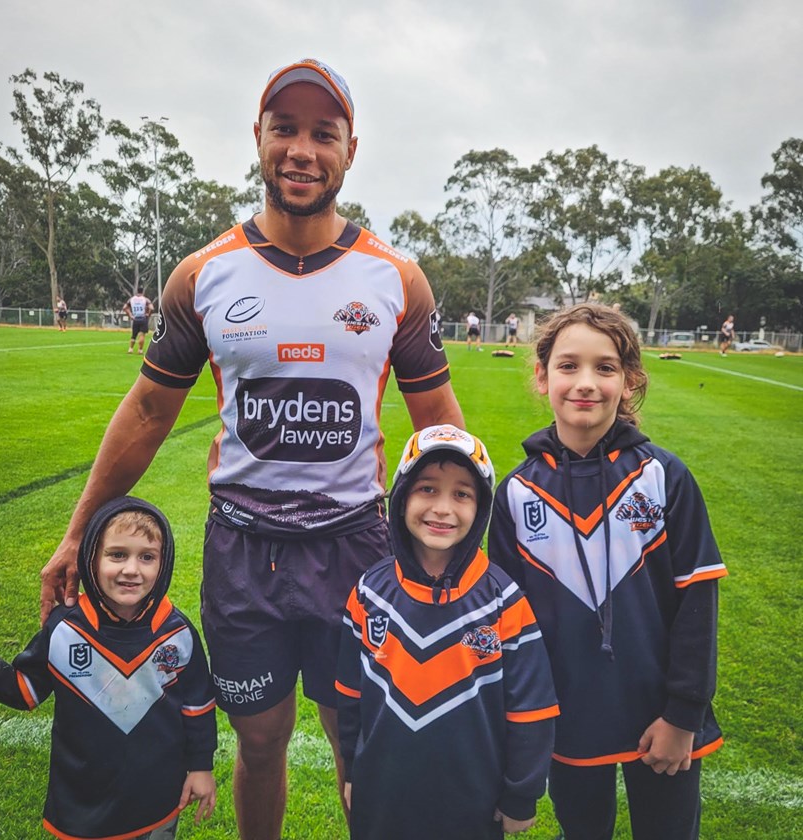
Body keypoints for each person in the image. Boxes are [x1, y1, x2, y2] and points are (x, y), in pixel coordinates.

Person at [40, 58, 463, 840]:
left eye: (322, 134)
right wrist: (76, 532)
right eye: (286, 129)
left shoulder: (397, 281)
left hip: (355, 549)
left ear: (350, 149)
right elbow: (146, 413)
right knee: (260, 741)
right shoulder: (201, 274)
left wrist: (470, 555)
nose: (302, 150)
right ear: (259, 138)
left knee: (363, 742)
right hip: (246, 555)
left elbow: (441, 426)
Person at [488, 303, 727, 840]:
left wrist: (683, 714)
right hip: (567, 719)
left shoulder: (665, 477)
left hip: (661, 720)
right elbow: (508, 626)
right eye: (568, 366)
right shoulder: (516, 493)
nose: (585, 383)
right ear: (542, 374)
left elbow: (698, 602)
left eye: (606, 367)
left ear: (629, 380)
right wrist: (521, 716)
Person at [336, 425, 558, 839]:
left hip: (474, 803)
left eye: (462, 494)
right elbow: (350, 699)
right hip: (382, 798)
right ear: (401, 497)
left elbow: (532, 711)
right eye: (427, 489)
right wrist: (351, 770)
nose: (442, 508)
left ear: (482, 508)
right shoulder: (369, 593)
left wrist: (521, 796)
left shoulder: (504, 602)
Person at [0, 496, 217, 839]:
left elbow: (197, 706)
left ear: (164, 563)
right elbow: (24, 690)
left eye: (147, 557)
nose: (131, 569)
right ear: (90, 560)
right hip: (81, 800)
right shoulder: (65, 628)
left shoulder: (177, 633)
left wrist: (201, 766)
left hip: (156, 797)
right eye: (117, 555)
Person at [124, 285, 154, 354]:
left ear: (137, 291)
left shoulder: (132, 299)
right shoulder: (145, 299)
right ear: (143, 292)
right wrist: (148, 315)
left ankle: (130, 349)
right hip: (143, 318)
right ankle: (140, 350)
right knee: (142, 334)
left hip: (135, 318)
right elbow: (151, 308)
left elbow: (125, 307)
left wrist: (130, 315)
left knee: (134, 335)